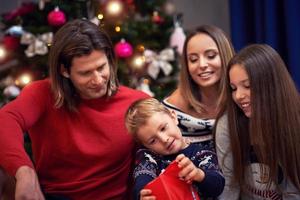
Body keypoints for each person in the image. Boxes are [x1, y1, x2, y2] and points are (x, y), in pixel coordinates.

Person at [0, 19, 149, 200]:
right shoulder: (41, 93)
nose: (98, 80)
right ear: (64, 70)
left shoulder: (137, 102)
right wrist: (24, 171)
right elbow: (6, 120)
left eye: (101, 67)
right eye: (85, 73)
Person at [215, 44, 300, 199]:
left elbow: (293, 192)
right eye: (233, 88)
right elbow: (228, 186)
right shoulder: (227, 124)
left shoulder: (294, 122)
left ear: (271, 85)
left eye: (247, 86)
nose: (238, 96)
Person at [125, 98, 225, 200]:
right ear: (145, 145)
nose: (164, 140)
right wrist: (143, 193)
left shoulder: (203, 154)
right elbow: (142, 178)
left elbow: (218, 186)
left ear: (173, 117)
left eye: (163, 128)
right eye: (153, 141)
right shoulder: (149, 157)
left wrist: (199, 174)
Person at [162, 25, 235, 153]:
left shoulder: (242, 98)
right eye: (193, 59)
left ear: (225, 56)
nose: (202, 65)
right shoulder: (171, 111)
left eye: (211, 56)